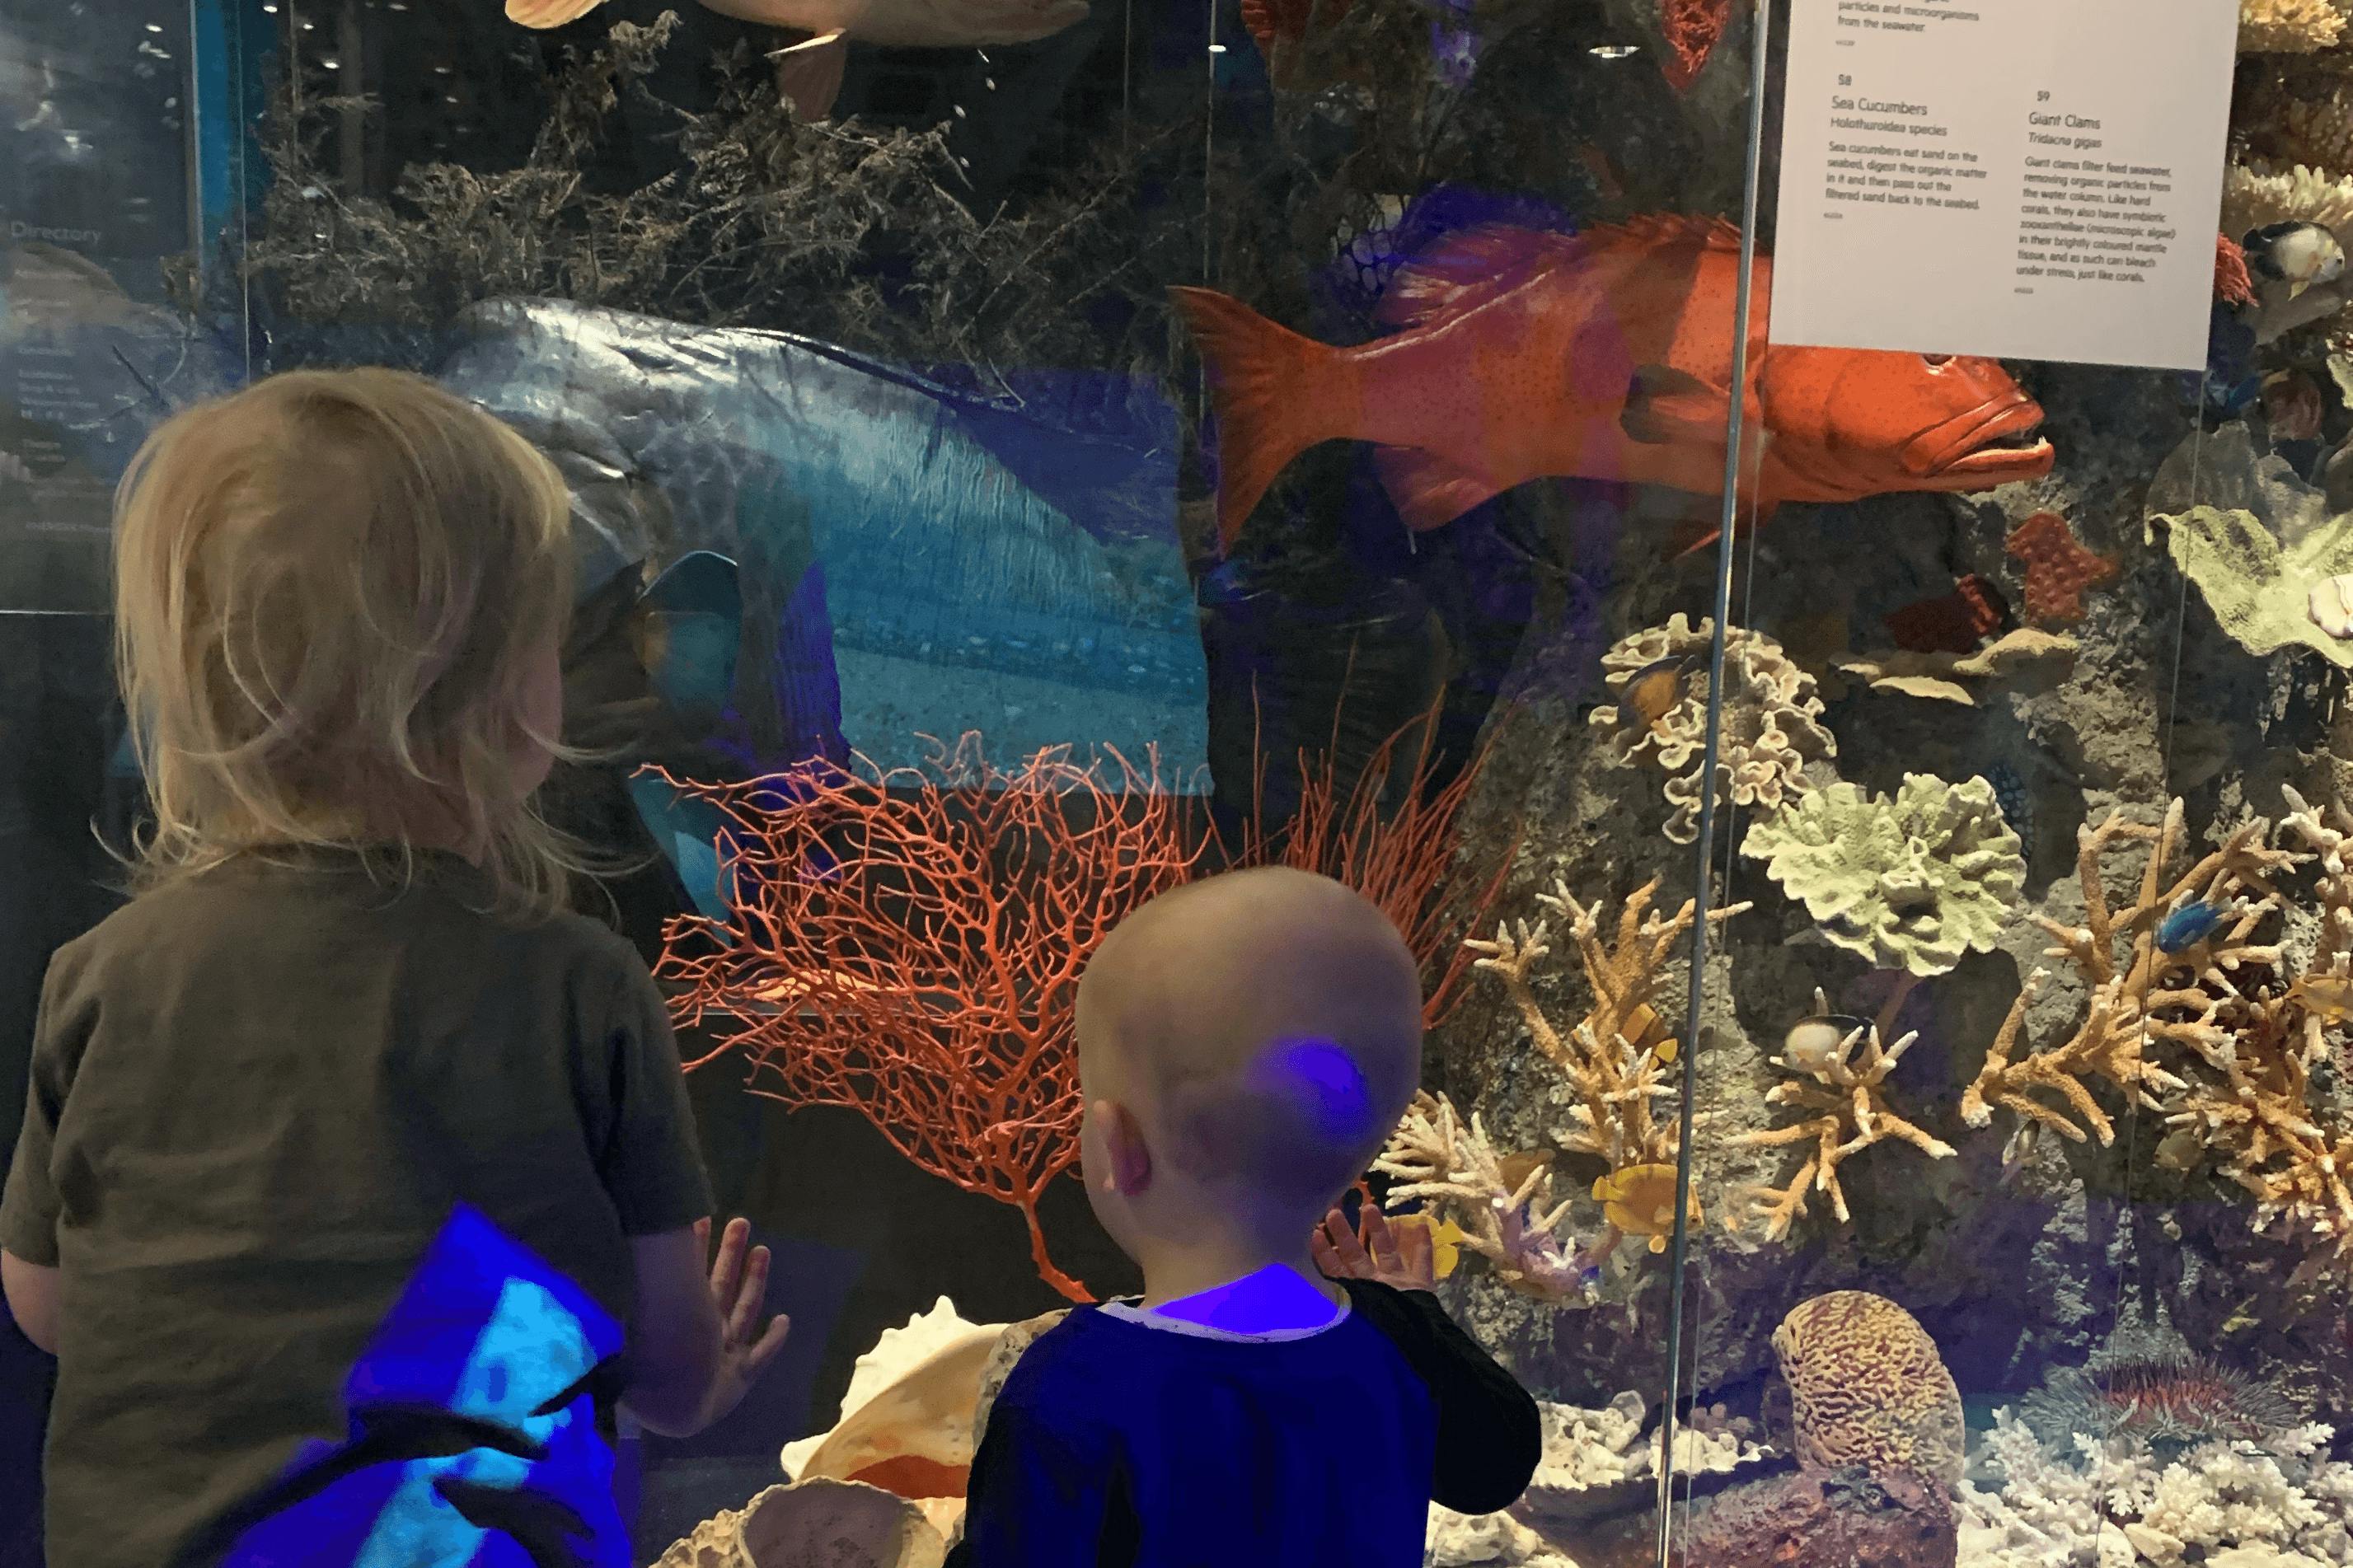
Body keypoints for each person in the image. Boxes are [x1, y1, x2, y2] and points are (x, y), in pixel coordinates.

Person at [0, 368, 790, 1568]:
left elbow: (49, 1304)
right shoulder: (578, 983)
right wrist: (704, 1373)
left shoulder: (102, 975)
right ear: (495, 695)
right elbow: (669, 1376)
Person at [946, 866, 1543, 1568]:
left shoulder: (1074, 1385)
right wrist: (1418, 1313)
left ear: (1118, 1147)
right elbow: (1497, 1464)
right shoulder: (1396, 1340)